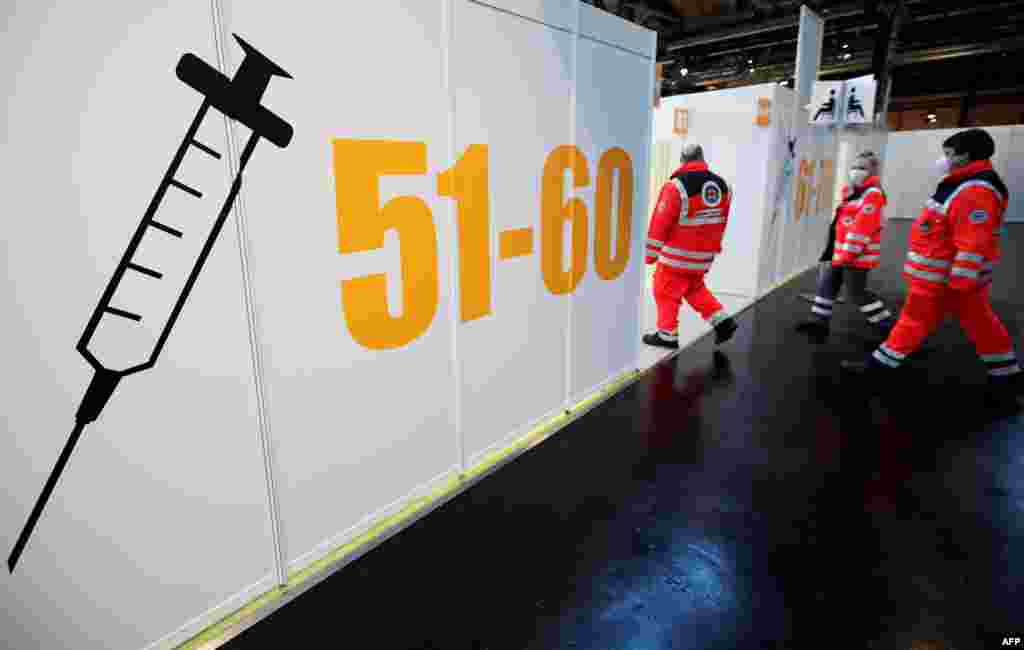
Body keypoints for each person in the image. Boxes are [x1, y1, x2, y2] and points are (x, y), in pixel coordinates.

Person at [841, 129, 1021, 407]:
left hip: (945, 280)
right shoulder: (963, 183)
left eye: (948, 154)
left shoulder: (975, 190)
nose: (944, 159)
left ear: (964, 155)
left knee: (921, 321)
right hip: (944, 278)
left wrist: (960, 282)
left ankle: (877, 369)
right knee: (962, 323)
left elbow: (973, 241)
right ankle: (1007, 377)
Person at [643, 143, 739, 349]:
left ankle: (667, 334)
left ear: (682, 160)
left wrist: (649, 255)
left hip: (677, 256)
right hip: (703, 257)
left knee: (665, 289)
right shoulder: (723, 186)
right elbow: (722, 221)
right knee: (694, 288)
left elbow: (661, 222)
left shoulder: (676, 187)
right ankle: (723, 322)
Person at [795, 151, 894, 343]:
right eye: (854, 167)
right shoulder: (853, 193)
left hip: (855, 256)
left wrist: (847, 255)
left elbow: (862, 228)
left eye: (862, 168)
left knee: (857, 293)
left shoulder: (872, 194)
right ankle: (818, 321)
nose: (856, 171)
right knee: (828, 284)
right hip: (841, 252)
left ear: (873, 170)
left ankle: (888, 326)